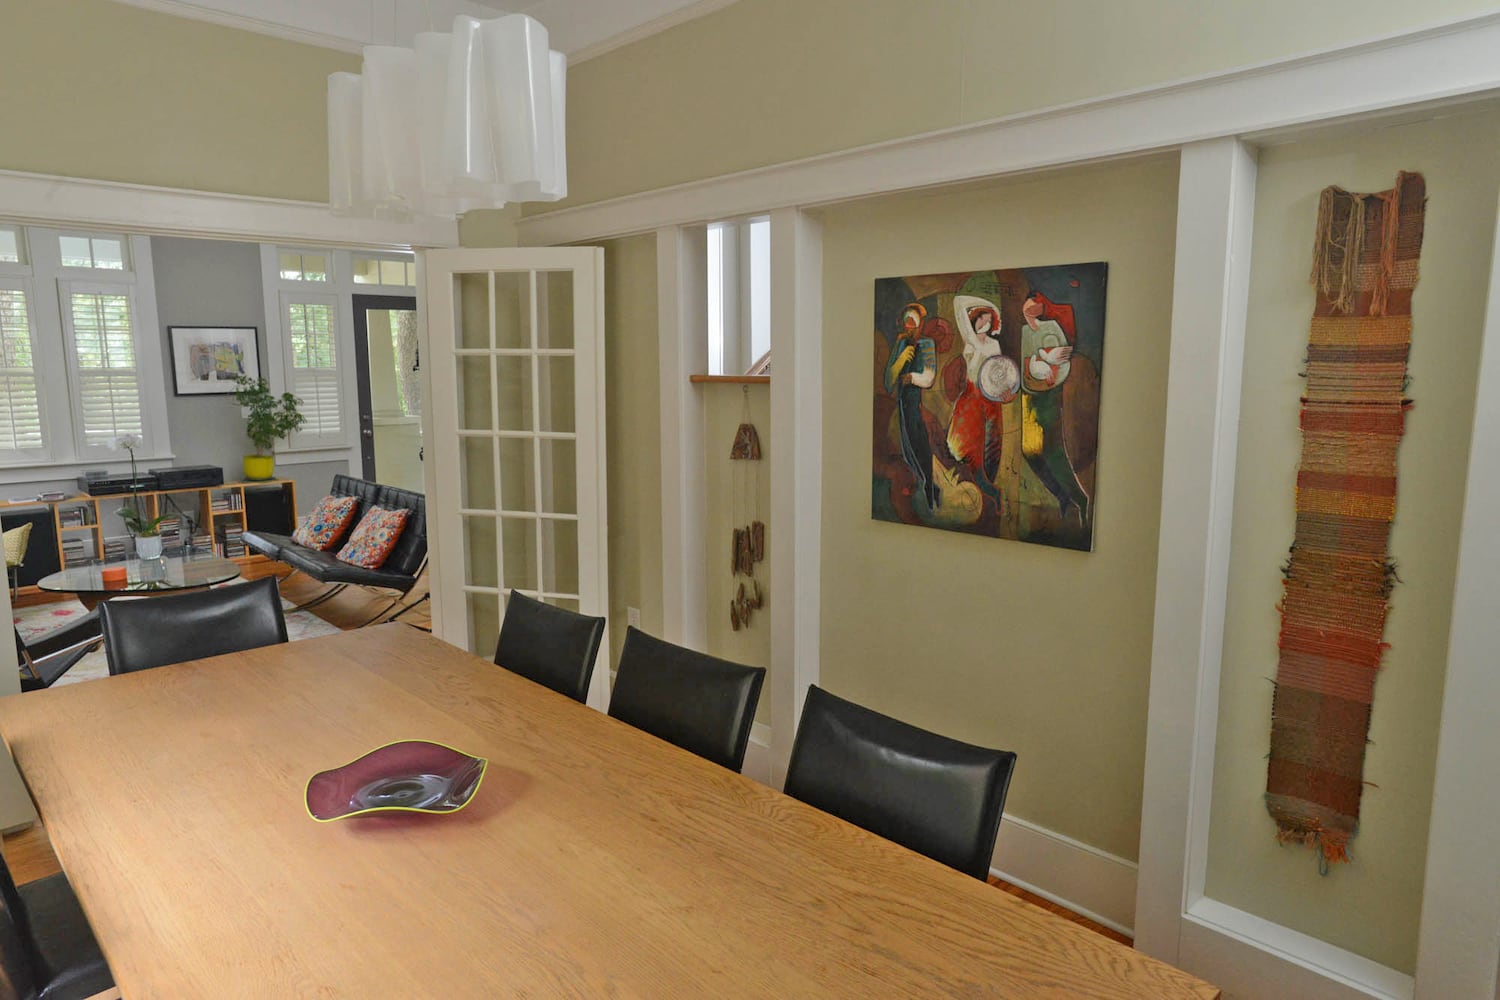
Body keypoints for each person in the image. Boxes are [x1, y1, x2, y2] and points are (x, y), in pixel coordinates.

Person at [1019, 290, 1089, 523]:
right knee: (1029, 450)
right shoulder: (1025, 331)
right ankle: (1062, 496)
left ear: (1041, 308)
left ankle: (1080, 500)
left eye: (1034, 307)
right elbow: (1025, 362)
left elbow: (1063, 357)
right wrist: (1038, 363)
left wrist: (1050, 365)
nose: (1029, 311)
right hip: (1029, 393)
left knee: (1052, 449)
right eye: (1027, 308)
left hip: (1049, 393)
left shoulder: (1051, 327)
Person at [946, 295, 1019, 508]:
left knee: (991, 444)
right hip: (972, 398)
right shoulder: (970, 343)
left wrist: (1007, 393)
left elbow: (1000, 371)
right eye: (981, 319)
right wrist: (987, 306)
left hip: (991, 399)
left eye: (988, 320)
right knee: (968, 446)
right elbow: (959, 303)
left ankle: (989, 490)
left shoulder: (994, 344)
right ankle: (986, 489)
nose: (985, 323)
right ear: (973, 320)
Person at [884, 303, 939, 509]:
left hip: (915, 406)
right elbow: (888, 381)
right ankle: (924, 487)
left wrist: (911, 377)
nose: (909, 328)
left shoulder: (926, 344)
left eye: (913, 323)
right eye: (907, 323)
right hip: (901, 407)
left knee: (919, 444)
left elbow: (929, 377)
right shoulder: (900, 345)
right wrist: (900, 360)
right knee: (907, 451)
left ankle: (930, 488)